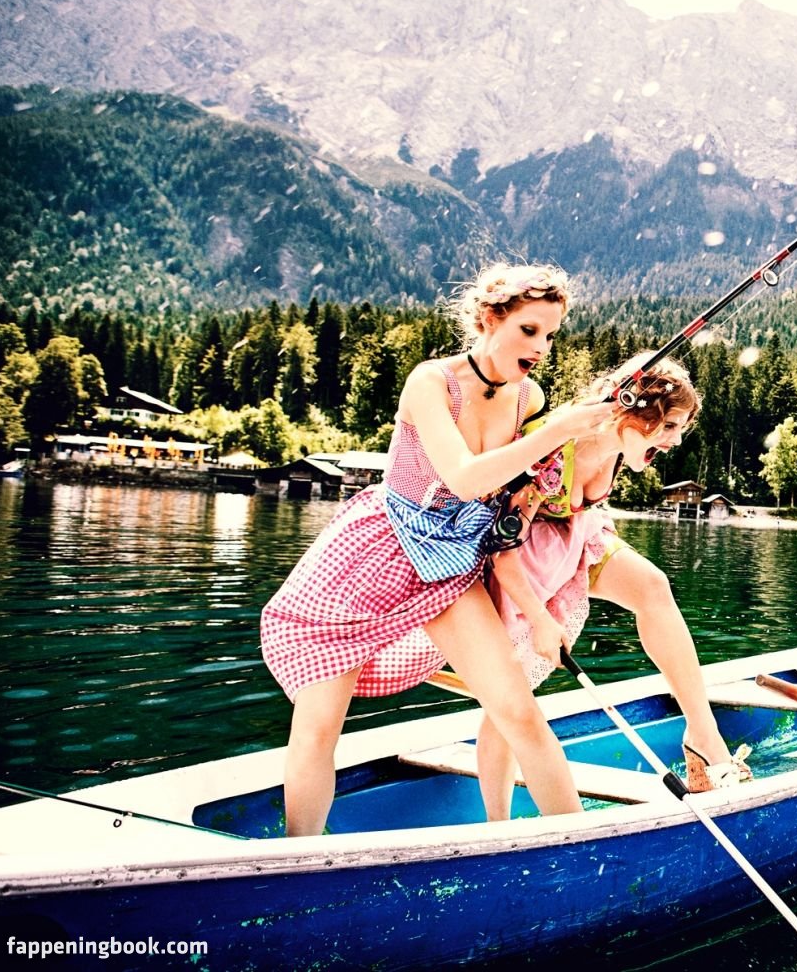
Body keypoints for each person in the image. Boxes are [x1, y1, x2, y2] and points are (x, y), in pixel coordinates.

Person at [259, 262, 609, 836]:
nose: (541, 347)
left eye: (550, 335)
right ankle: (297, 860)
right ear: (489, 319)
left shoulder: (529, 397)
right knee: (319, 728)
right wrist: (558, 431)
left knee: (518, 711)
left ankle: (575, 847)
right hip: (373, 553)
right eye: (529, 330)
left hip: (451, 564)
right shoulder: (431, 382)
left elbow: (528, 484)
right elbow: (464, 477)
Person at [472, 353, 751, 821]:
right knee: (509, 695)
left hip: (575, 536)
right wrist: (539, 618)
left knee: (652, 587)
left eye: (681, 429)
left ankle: (703, 737)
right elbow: (502, 550)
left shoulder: (617, 444)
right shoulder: (554, 448)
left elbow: (581, 512)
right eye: (670, 425)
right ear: (632, 410)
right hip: (514, 559)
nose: (675, 440)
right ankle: (495, 827)